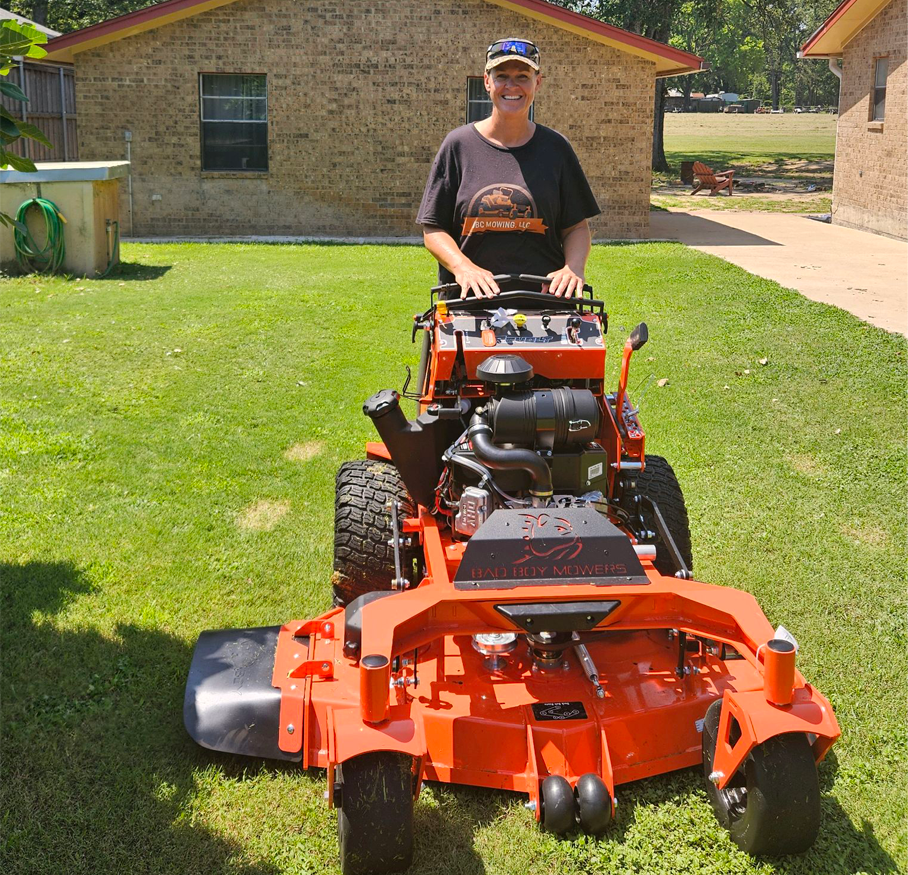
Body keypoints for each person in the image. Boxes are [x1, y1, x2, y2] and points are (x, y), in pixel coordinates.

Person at [417, 38, 601, 300]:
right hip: (469, 304)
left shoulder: (556, 148)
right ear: (487, 81)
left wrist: (573, 269)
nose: (511, 85)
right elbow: (433, 229)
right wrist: (463, 268)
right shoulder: (458, 146)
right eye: (502, 75)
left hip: (546, 304)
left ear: (537, 83)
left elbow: (575, 228)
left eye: (523, 76)